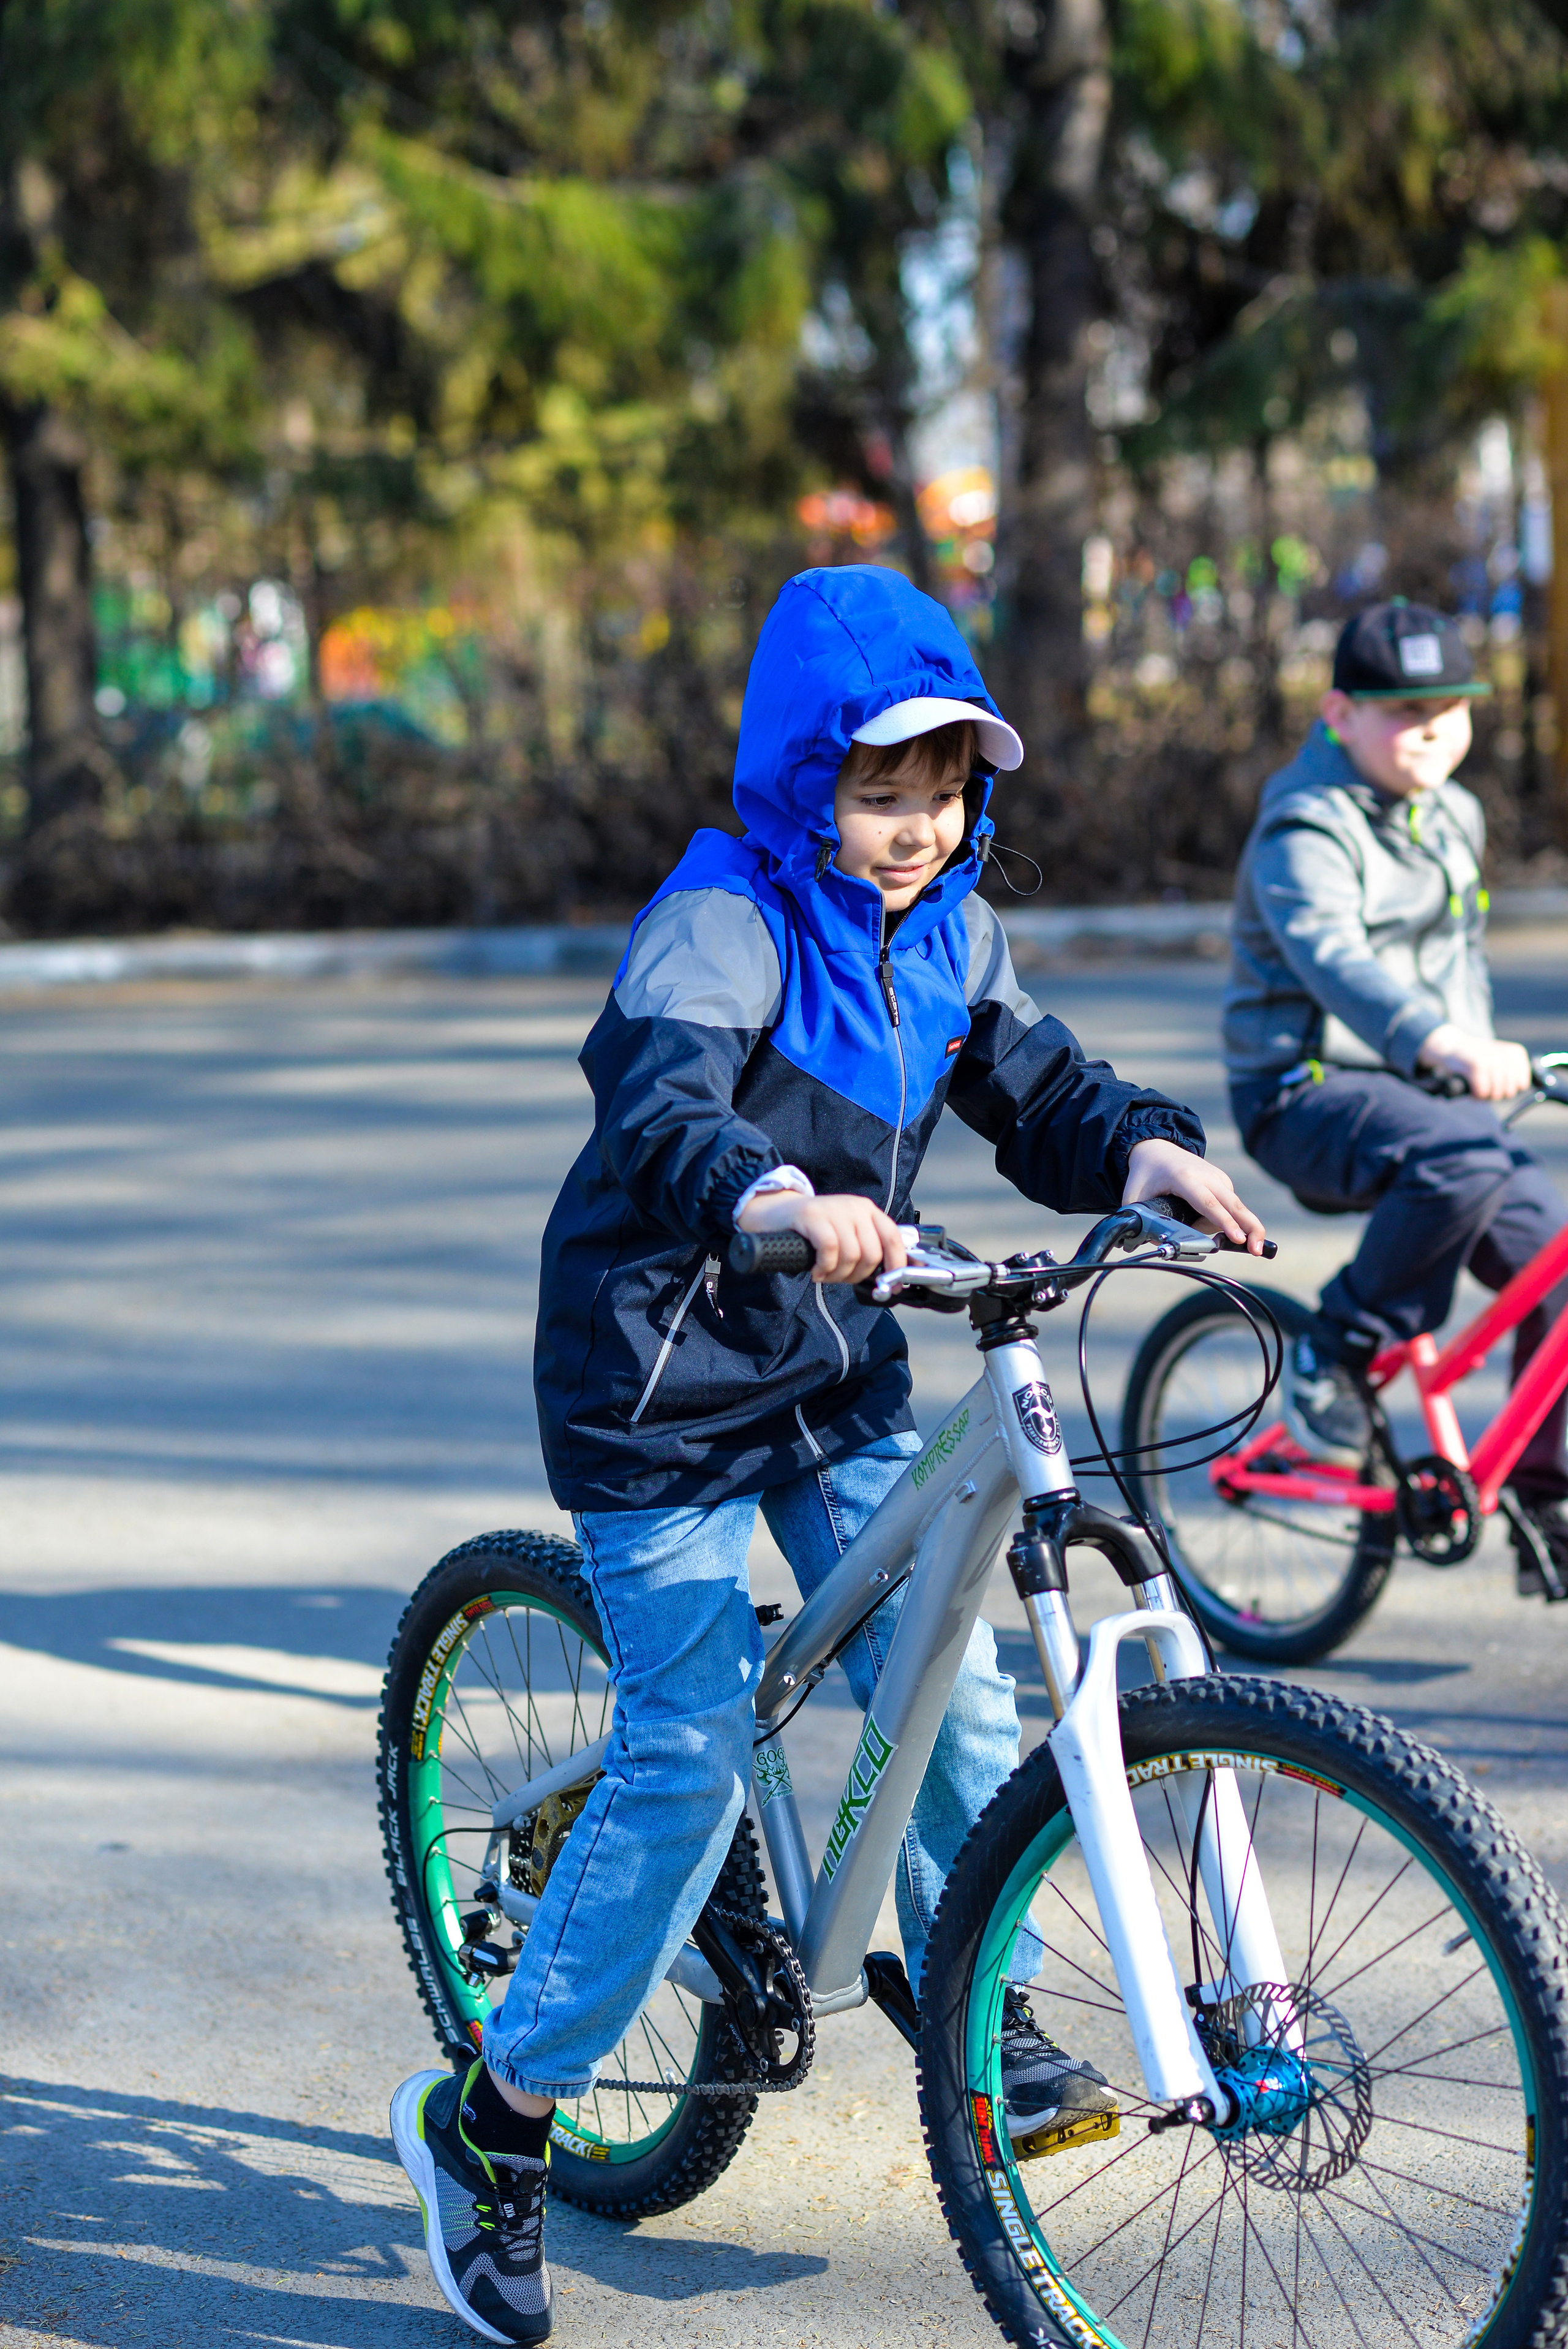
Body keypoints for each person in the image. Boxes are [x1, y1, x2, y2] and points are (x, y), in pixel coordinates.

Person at [392, 562, 1267, 2345]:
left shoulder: (952, 923)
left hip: (830, 1361)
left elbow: (1043, 1091)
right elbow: (660, 1111)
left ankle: (975, 2001)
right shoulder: (721, 917)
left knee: (948, 1674)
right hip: (659, 1385)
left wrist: (1147, 1156)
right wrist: (776, 1194)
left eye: (944, 789)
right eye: (878, 787)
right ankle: (492, 2125)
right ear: (803, 777)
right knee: (694, 1752)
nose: (914, 826)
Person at [1224, 596, 1568, 1591]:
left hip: (1432, 1092)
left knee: (1555, 1265)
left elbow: (1453, 962)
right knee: (1455, 1162)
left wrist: (1485, 1062)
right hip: (1307, 1089)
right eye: (1403, 712)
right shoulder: (1304, 825)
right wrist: (1444, 1042)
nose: (1431, 732)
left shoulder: (1452, 812)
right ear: (1339, 713)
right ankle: (1338, 1347)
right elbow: (1337, 961)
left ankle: (1543, 1500)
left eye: (1451, 711)